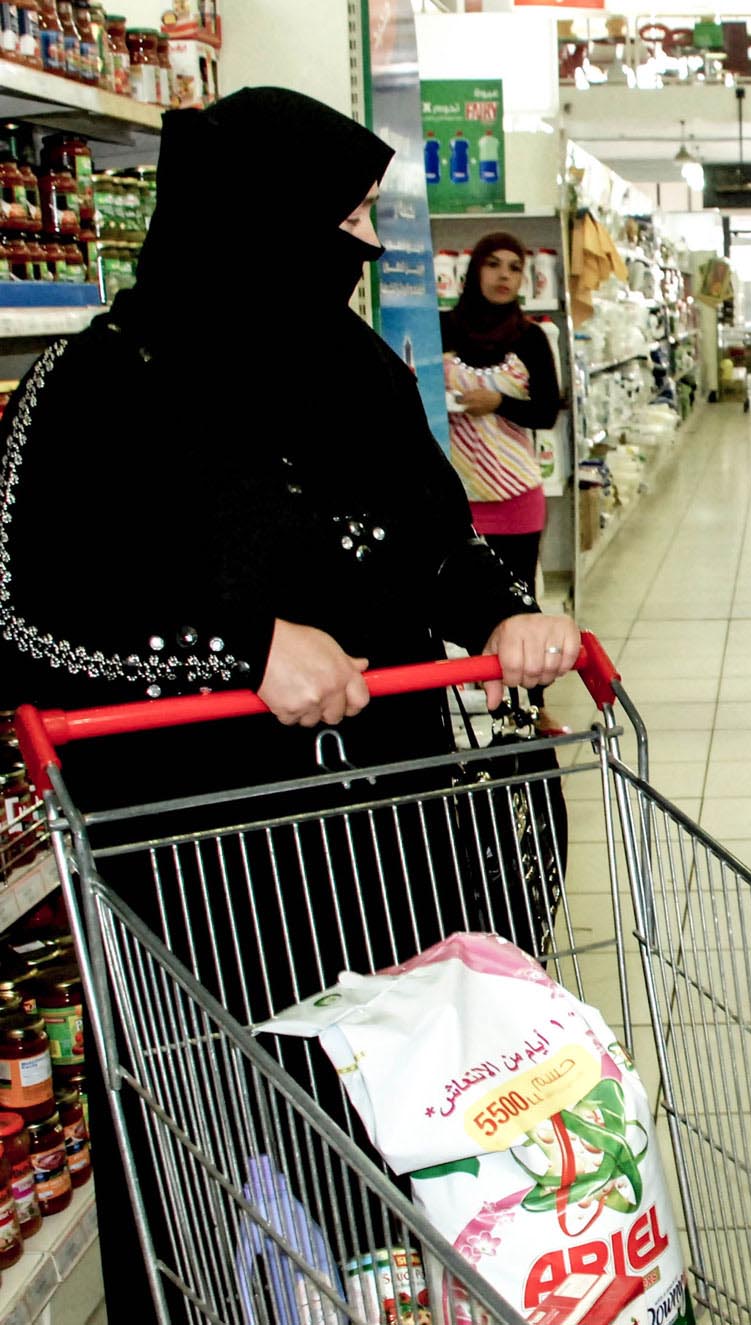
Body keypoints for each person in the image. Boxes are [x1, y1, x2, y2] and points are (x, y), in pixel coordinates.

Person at [0, 88, 581, 1320]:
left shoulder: (354, 366)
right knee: (231, 1192)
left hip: (392, 860)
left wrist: (499, 613)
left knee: (397, 1169)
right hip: (198, 887)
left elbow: (432, 542)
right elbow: (24, 621)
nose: (365, 247)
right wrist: (236, 652)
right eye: (348, 217)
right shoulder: (88, 390)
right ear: (254, 220)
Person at [442, 230, 566, 727]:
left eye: (514, 267)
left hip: (516, 494)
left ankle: (530, 709)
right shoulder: (441, 330)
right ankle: (468, 710)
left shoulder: (530, 338)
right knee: (456, 603)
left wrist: (499, 403)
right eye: (493, 265)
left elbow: (547, 411)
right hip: (454, 496)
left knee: (516, 604)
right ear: (475, 272)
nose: (503, 276)